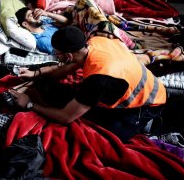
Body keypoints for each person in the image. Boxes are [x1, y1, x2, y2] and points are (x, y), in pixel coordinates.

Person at [9, 26, 167, 142]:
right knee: (63, 95)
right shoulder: (96, 41)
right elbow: (67, 68)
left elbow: (65, 117)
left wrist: (29, 104)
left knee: (106, 136)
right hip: (134, 84)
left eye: (57, 53)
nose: (55, 56)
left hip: (149, 104)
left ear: (69, 55)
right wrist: (37, 73)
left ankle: (147, 125)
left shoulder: (99, 79)